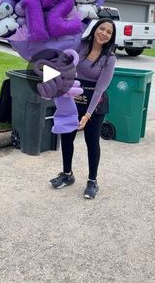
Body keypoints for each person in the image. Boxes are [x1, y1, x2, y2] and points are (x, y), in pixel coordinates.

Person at [50, 18, 117, 199]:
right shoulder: (81, 45)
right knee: (66, 137)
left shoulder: (110, 58)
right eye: (101, 28)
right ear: (95, 29)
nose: (104, 33)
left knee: (91, 142)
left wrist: (88, 114)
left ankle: (92, 181)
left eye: (108, 32)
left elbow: (100, 89)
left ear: (111, 37)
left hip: (95, 103)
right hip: (73, 98)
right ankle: (67, 174)